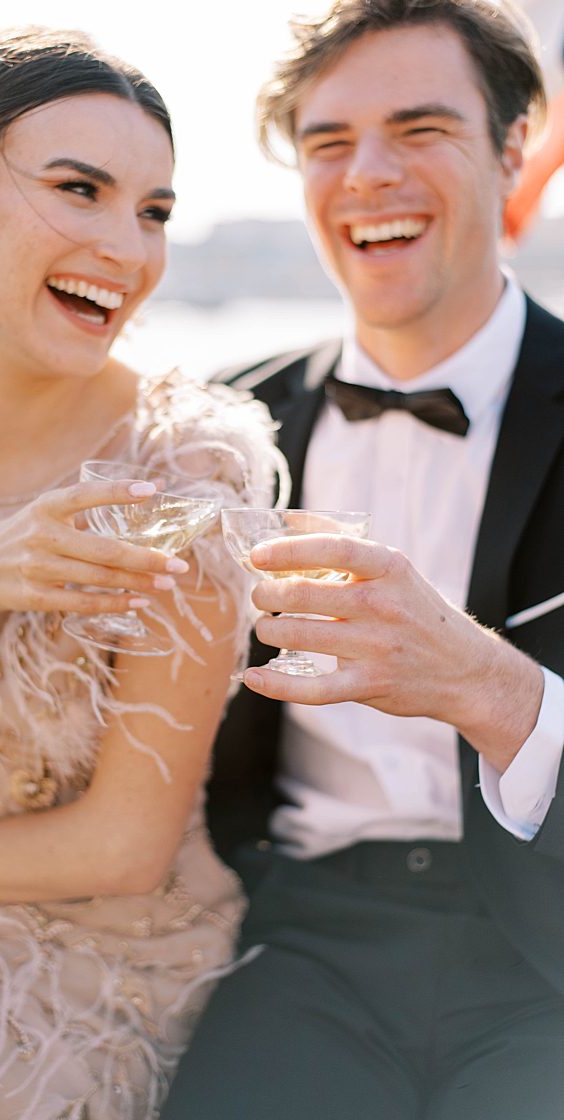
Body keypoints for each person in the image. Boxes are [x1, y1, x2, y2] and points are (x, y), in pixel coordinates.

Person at [0, 29, 286, 1120]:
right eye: (81, 190)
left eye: (154, 210)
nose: (127, 247)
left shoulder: (190, 463)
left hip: (98, 954)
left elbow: (124, 848)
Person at [161, 3, 564, 1117]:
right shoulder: (217, 424)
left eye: (420, 129)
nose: (367, 176)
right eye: (329, 143)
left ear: (514, 147)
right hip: (302, 941)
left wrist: (491, 688)